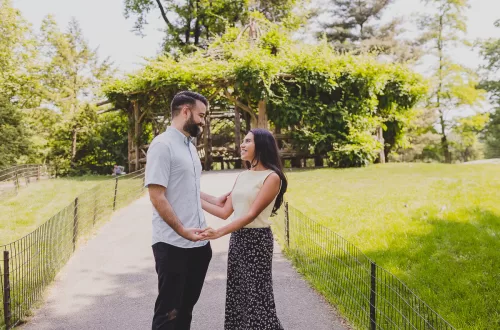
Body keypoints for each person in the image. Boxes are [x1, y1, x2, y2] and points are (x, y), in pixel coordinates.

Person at [144, 91, 227, 330]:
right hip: (172, 245)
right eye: (201, 115)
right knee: (169, 313)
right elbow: (156, 195)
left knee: (186, 311)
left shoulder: (190, 146)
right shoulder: (162, 145)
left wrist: (215, 199)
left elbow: (188, 188)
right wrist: (182, 231)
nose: (203, 121)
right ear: (185, 111)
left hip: (199, 246)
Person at [200, 128, 288, 330]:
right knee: (238, 296)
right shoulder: (242, 176)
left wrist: (219, 232)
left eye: (248, 141)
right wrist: (192, 197)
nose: (242, 144)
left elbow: (251, 214)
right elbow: (224, 210)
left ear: (261, 146)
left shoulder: (272, 177)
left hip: (257, 241)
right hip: (238, 239)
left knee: (257, 298)